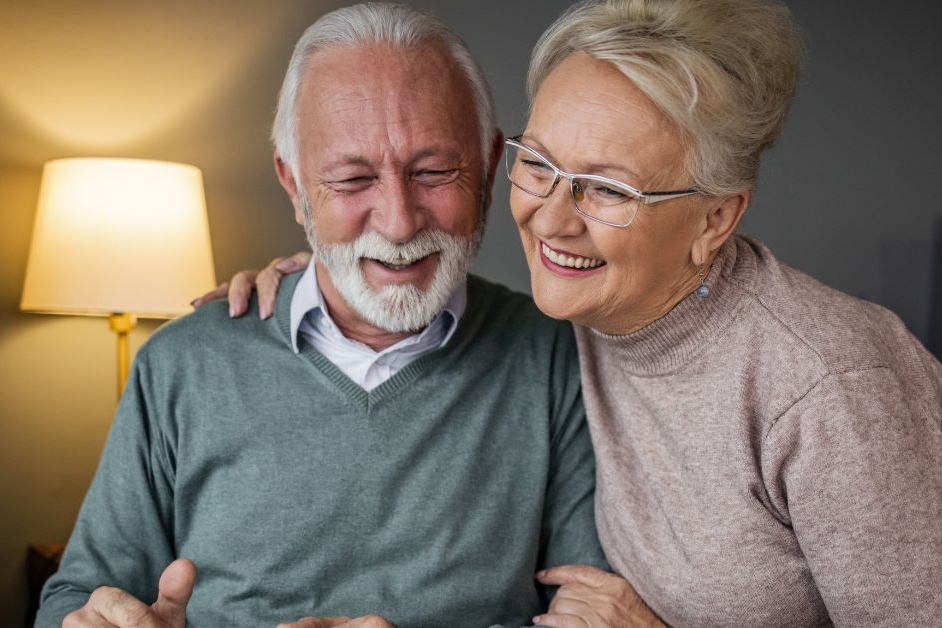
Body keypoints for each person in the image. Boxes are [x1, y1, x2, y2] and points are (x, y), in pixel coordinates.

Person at [220, 0, 942, 626]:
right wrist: (330, 274)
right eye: (539, 164)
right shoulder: (585, 326)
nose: (552, 219)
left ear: (716, 218)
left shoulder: (832, 384)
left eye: (607, 189)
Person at [35, 4, 613, 627]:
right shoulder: (181, 366)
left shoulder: (559, 359)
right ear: (293, 185)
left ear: (490, 164)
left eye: (435, 171)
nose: (398, 221)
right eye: (352, 179)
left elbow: (590, 615)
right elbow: (73, 600)